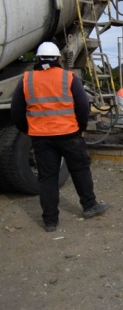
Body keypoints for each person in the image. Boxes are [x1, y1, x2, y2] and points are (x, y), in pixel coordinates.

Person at [10, 42, 109, 232]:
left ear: (37, 59)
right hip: (69, 134)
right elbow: (82, 106)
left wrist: (26, 130)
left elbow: (16, 110)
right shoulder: (68, 78)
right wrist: (80, 128)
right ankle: (89, 206)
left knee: (47, 178)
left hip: (40, 138)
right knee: (80, 169)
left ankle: (50, 221)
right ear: (58, 59)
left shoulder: (26, 80)